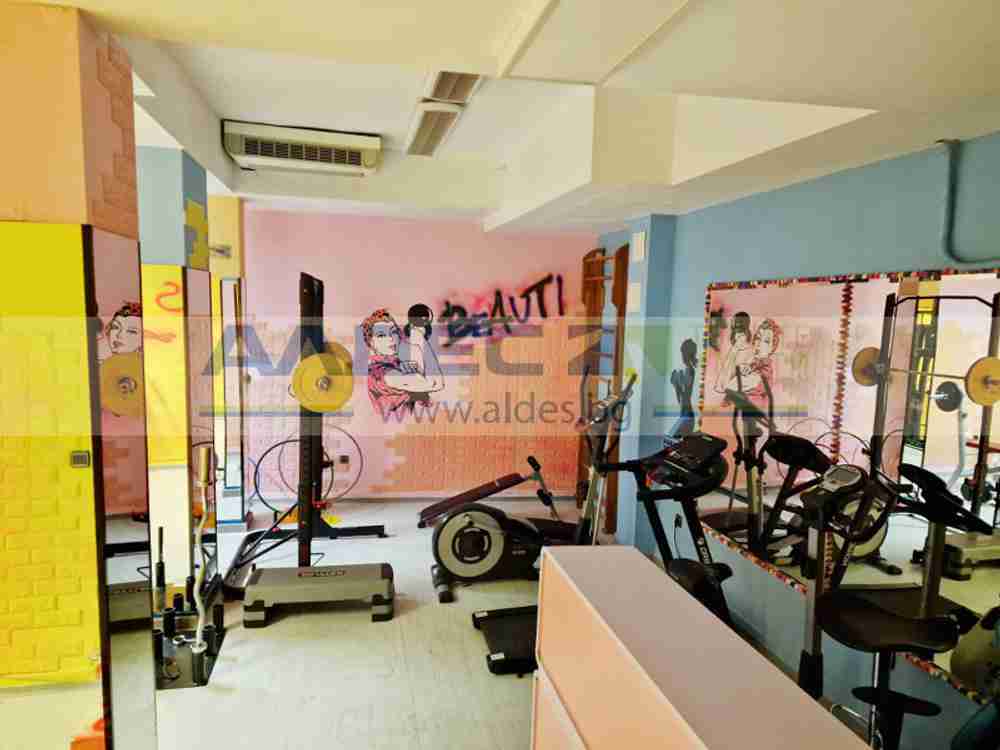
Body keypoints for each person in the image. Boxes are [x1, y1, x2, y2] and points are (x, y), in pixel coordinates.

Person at [361, 308, 444, 418]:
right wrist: (420, 337)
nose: (390, 338)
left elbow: (428, 401)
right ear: (371, 342)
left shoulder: (397, 364)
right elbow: (435, 383)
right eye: (381, 335)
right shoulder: (382, 373)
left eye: (393, 332)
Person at [669, 339, 698, 438]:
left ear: (686, 354)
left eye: (682, 353)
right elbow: (680, 400)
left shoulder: (690, 371)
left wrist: (676, 384)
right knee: (672, 440)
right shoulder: (685, 371)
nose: (681, 356)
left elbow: (685, 397)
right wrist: (676, 385)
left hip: (687, 415)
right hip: (684, 413)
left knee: (671, 440)